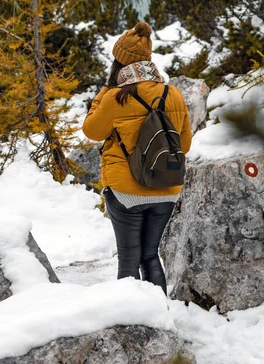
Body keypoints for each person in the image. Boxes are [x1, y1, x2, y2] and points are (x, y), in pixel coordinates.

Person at [82, 21, 192, 295]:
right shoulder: (172, 93)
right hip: (166, 189)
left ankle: (130, 324)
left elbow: (92, 131)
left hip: (126, 191)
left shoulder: (115, 97)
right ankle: (160, 314)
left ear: (119, 62)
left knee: (129, 261)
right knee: (150, 256)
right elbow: (185, 144)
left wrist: (101, 97)